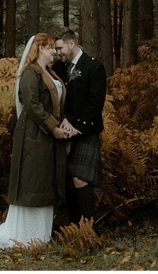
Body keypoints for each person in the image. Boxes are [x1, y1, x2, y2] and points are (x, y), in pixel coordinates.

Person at [0, 33, 73, 253]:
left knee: (45, 183)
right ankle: (26, 235)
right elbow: (32, 105)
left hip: (49, 137)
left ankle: (41, 236)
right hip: (34, 138)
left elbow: (56, 102)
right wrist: (52, 127)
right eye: (49, 48)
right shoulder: (30, 74)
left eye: (55, 49)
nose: (54, 52)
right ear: (38, 49)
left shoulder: (51, 73)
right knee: (33, 182)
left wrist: (62, 122)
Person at [53, 27, 106, 230]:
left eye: (60, 48)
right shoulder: (58, 68)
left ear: (71, 44)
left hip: (85, 131)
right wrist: (63, 120)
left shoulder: (94, 67)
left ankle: (89, 231)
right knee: (68, 181)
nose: (58, 52)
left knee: (80, 179)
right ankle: (73, 229)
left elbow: (95, 103)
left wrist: (77, 127)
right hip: (64, 130)